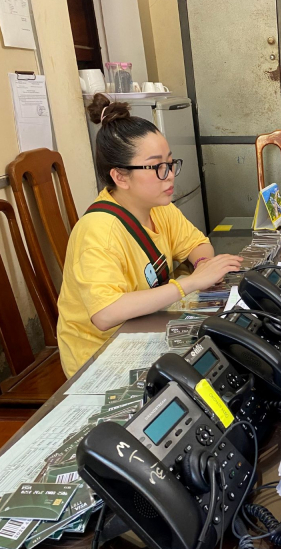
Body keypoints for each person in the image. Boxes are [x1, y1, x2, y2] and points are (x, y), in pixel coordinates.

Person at [57, 94, 242, 377]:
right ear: (120, 177)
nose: (169, 176)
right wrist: (189, 283)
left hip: (149, 330)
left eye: (170, 163)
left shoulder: (158, 207)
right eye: (157, 167)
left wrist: (204, 264)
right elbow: (106, 313)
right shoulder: (98, 232)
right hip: (104, 357)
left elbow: (196, 243)